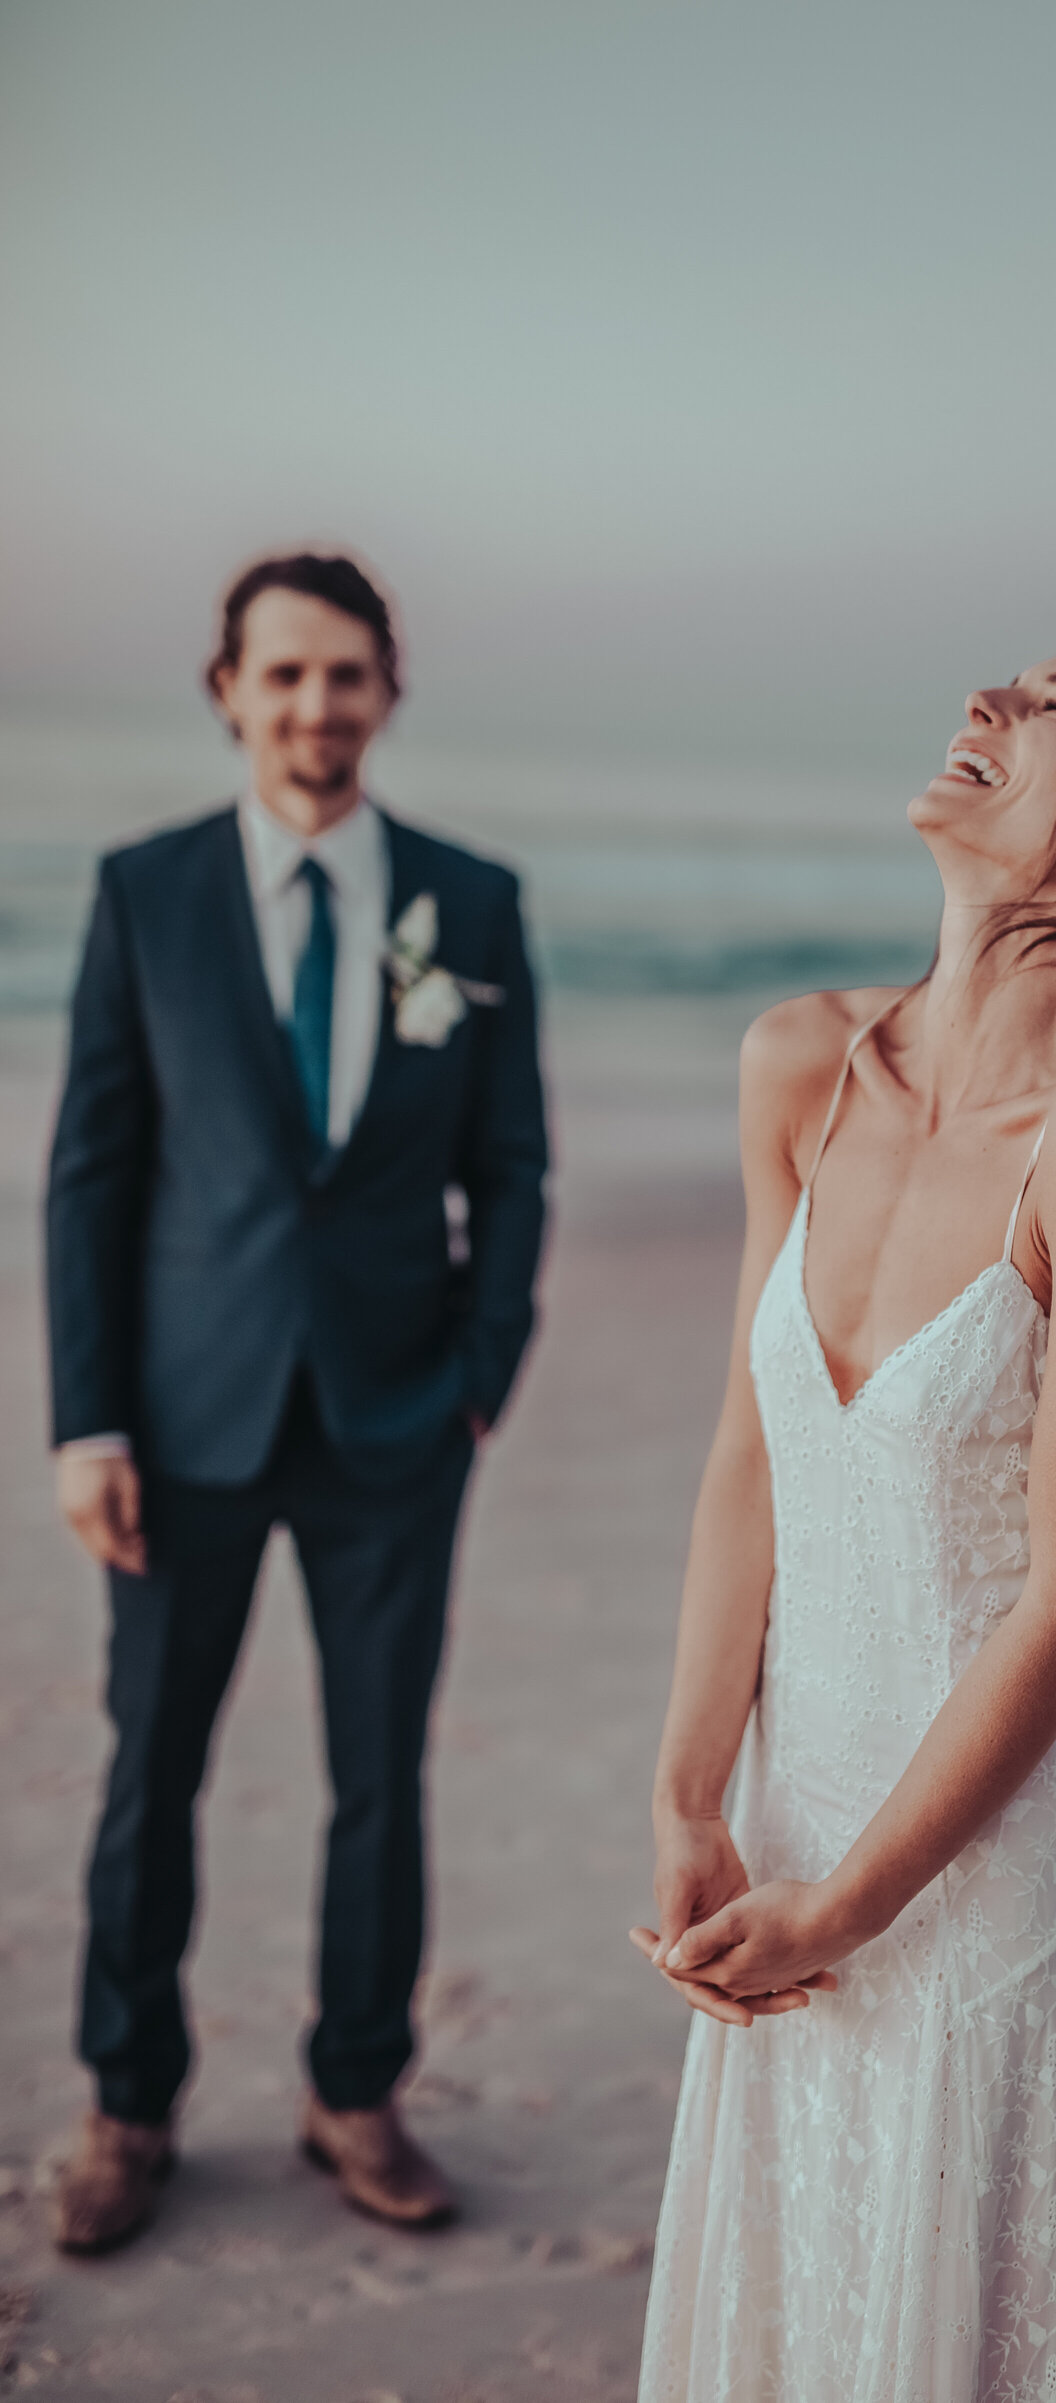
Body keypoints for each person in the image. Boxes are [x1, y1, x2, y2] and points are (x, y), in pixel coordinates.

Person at [629, 636, 1056, 2400]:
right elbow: (748, 1460)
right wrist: (692, 1796)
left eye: (1055, 709)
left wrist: (857, 1905)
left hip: (986, 1893)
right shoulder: (803, 1063)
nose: (986, 708)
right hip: (787, 1841)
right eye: (1001, 687)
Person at [46, 552, 548, 2252]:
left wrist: (484, 1371)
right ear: (228, 691)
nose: (314, 707)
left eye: (344, 676)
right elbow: (90, 1178)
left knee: (378, 1776)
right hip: (179, 1424)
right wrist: (86, 1423)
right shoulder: (146, 893)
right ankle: (128, 2106)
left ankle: (357, 2092)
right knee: (149, 1775)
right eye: (282, 677)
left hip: (400, 1425)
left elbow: (516, 1163)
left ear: (387, 689)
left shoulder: (469, 907)